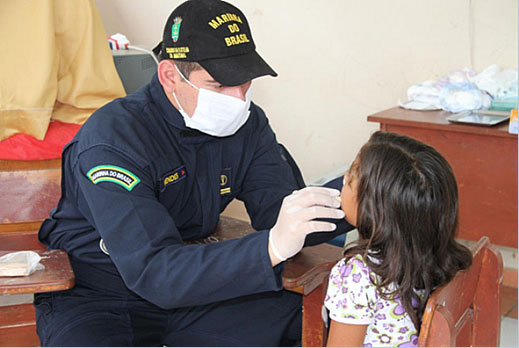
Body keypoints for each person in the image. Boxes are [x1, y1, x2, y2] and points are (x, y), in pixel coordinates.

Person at [35, 0, 352, 346]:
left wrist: (361, 195)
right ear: (170, 75)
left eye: (245, 83)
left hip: (200, 287)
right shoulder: (114, 141)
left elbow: (278, 212)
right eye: (219, 85)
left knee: (304, 319)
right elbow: (153, 270)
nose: (237, 99)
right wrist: (270, 248)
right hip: (102, 293)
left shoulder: (247, 124)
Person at [324, 131, 473, 347]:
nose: (344, 177)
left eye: (351, 178)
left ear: (375, 210)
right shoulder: (442, 258)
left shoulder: (356, 274)